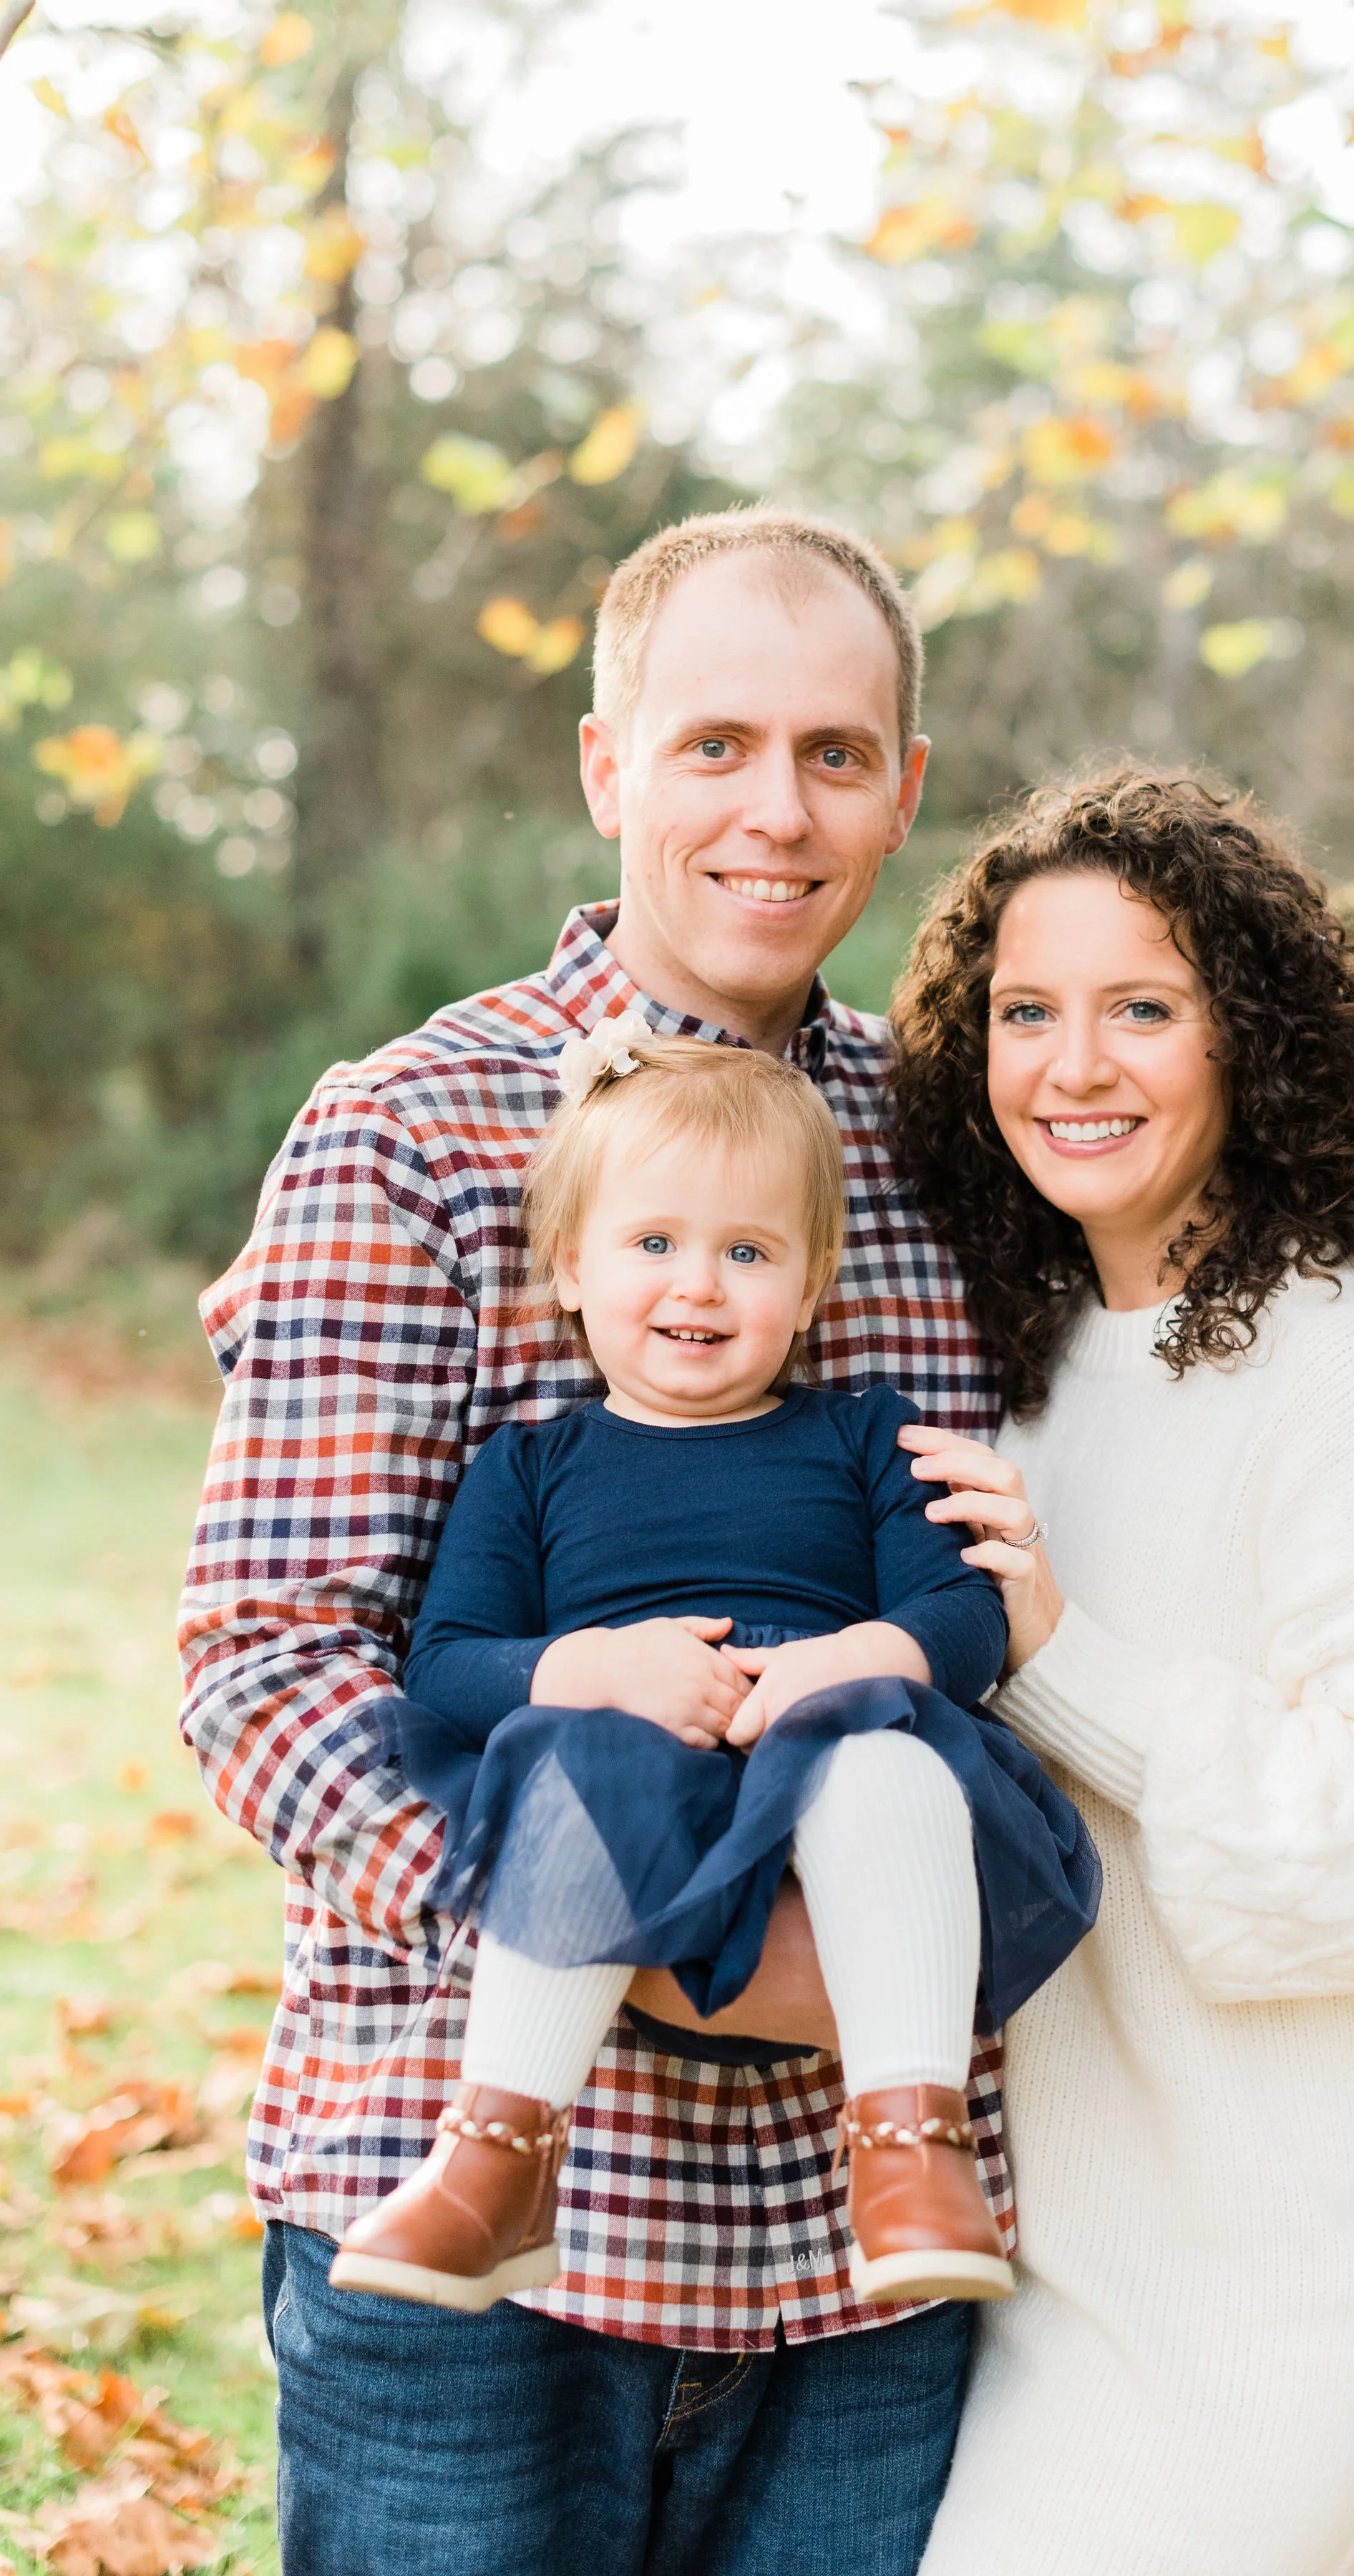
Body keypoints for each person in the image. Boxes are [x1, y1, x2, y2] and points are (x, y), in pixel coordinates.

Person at [177, 509, 1013, 2576]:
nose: (775, 809)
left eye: (835, 754)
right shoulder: (418, 1130)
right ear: (605, 764)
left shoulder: (956, 1161)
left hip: (869, 2269)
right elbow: (270, 1669)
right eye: (713, 741)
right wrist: (657, 1950)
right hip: (474, 2239)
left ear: (903, 793)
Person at [885, 765, 1354, 2576]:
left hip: (1261, 2280)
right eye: (1026, 1011)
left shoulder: (1351, 1366)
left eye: (1142, 1010)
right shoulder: (1013, 1365)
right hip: (1021, 2257)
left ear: (1248, 1038)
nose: (1071, 1067)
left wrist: (1053, 1656)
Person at [326, 1035, 1095, 2313]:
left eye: (747, 1252)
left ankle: (910, 2148)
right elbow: (449, 1664)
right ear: (570, 1268)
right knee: (575, 1772)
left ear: (809, 1288)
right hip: (639, 1781)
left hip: (832, 1759)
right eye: (652, 1245)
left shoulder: (865, 1433)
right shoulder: (529, 1467)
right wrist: (592, 1668)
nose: (700, 1285)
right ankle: (495, 2165)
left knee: (884, 1763)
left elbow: (961, 1616)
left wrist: (860, 1657)